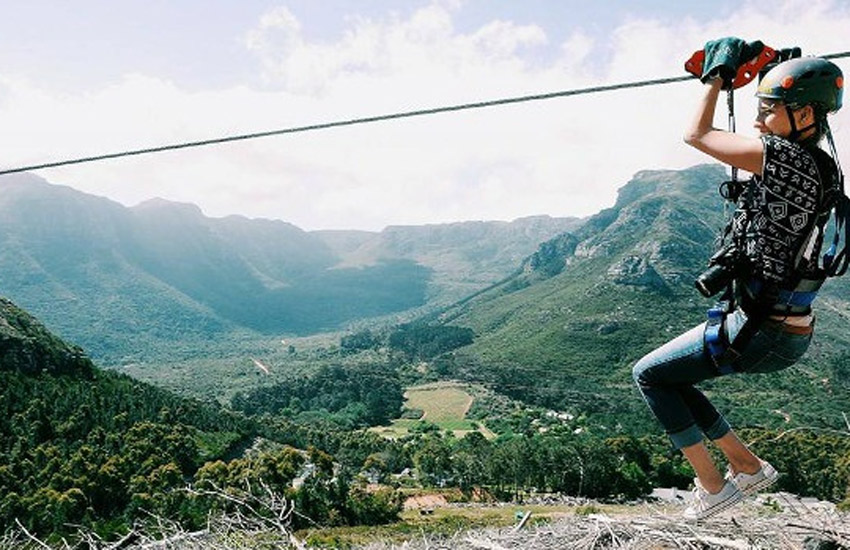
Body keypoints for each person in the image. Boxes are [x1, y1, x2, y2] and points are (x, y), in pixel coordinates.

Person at [632, 37, 845, 521]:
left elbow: (697, 134)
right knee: (673, 379)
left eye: (768, 111)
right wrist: (775, 69)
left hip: (762, 330)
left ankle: (714, 486)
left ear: (805, 114)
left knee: (648, 375)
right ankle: (746, 466)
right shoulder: (819, 166)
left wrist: (717, 78)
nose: (757, 121)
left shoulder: (789, 161)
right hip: (778, 327)